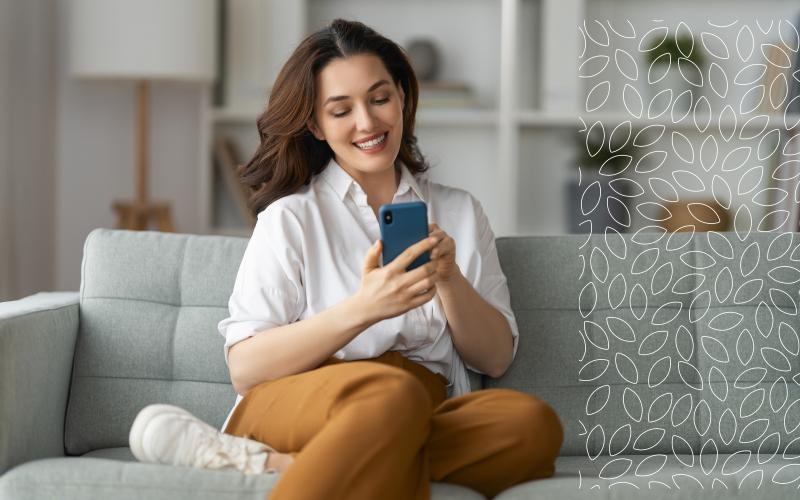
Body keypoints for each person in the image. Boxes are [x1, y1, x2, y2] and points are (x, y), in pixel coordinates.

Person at [128, 18, 563, 500]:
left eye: (379, 99)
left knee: (529, 425)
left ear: (401, 96)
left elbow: (496, 358)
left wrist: (448, 278)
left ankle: (277, 465)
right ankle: (343, 449)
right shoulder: (289, 218)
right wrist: (364, 309)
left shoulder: (459, 212)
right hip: (306, 398)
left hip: (421, 405)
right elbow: (246, 369)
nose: (367, 123)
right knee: (388, 396)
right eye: (341, 110)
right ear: (315, 123)